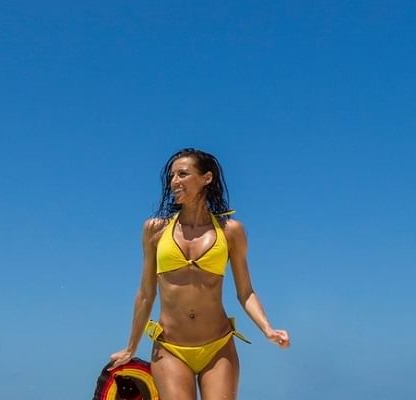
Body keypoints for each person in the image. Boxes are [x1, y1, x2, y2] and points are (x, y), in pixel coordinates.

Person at [108, 148, 290, 400]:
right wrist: (131, 347)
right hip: (170, 348)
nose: (174, 181)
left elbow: (245, 291)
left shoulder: (231, 231)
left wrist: (268, 328)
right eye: (172, 176)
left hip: (218, 346)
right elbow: (146, 294)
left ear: (206, 178)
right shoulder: (154, 230)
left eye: (183, 174)